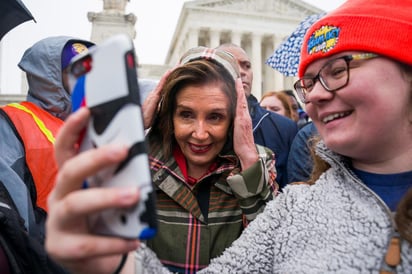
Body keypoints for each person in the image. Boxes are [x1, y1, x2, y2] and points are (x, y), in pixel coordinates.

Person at [45, 0, 412, 273]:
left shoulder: (277, 190)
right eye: (308, 81)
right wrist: (116, 258)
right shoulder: (297, 208)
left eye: (337, 70)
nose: (314, 94)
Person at [46, 46, 278, 274]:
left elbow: (272, 249)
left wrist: (248, 160)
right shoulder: (140, 162)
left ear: (235, 118)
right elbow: (105, 242)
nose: (199, 133)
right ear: (167, 114)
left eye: (215, 117)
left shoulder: (259, 162)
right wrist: (131, 136)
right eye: (186, 115)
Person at [0, 36, 94, 273]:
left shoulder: (89, 126)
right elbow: (12, 220)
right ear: (49, 77)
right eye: (75, 71)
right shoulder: (12, 120)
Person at [217, 43, 298, 189]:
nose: (242, 72)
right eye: (232, 65)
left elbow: (293, 188)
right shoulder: (199, 127)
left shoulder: (285, 128)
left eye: (246, 66)